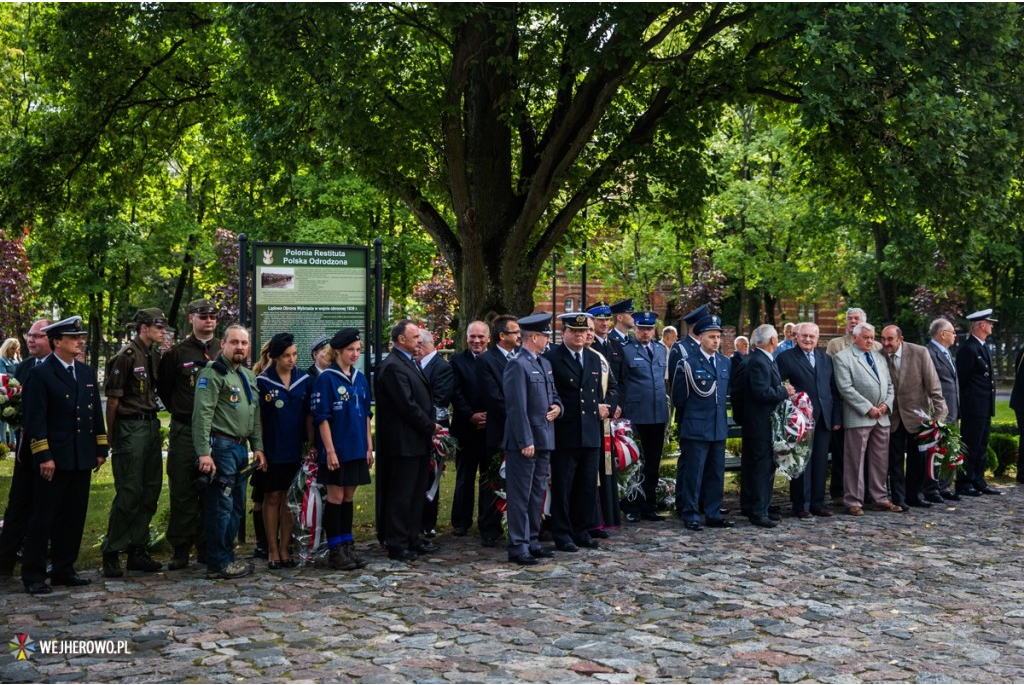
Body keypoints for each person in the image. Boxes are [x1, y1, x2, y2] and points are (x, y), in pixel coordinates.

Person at [20, 316, 108, 594]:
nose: (81, 341)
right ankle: (33, 574)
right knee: (43, 516)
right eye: (74, 337)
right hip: (54, 458)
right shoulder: (41, 373)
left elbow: (94, 413)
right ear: (58, 342)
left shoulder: (84, 372)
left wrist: (100, 447)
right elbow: (35, 419)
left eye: (81, 336)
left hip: (81, 455)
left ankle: (64, 568)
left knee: (73, 516)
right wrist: (43, 455)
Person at [192, 324, 267, 579]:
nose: (240, 347)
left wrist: (257, 446)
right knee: (220, 506)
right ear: (223, 344)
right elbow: (202, 415)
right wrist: (204, 453)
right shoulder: (212, 374)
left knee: (235, 506)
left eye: (244, 343)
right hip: (221, 447)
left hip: (240, 448)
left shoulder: (247, 375)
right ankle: (218, 561)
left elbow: (254, 415)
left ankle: (227, 556)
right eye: (234, 342)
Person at [101, 308, 167, 578]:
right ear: (143, 327)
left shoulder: (154, 354)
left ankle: (137, 549)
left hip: (151, 425)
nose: (163, 330)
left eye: (163, 325)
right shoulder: (125, 357)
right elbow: (113, 401)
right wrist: (111, 437)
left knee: (150, 491)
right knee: (129, 492)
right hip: (130, 427)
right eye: (158, 325)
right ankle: (112, 550)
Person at [157, 298, 221, 570]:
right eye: (203, 316)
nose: (209, 320)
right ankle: (181, 548)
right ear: (191, 318)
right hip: (185, 428)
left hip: (218, 429)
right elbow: (164, 389)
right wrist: (184, 412)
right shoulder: (177, 353)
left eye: (213, 316)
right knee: (182, 487)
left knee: (213, 488)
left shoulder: (224, 348)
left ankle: (206, 546)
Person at [544, 312, 614, 552]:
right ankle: (562, 533)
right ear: (564, 332)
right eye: (574, 331)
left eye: (583, 332)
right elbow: (554, 397)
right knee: (563, 486)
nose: (579, 336)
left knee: (586, 485)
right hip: (566, 432)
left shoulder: (594, 359)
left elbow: (599, 393)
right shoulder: (552, 358)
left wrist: (606, 407)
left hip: (590, 432)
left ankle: (581, 529)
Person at [374, 320, 442, 561]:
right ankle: (397, 542)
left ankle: (412, 537)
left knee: (415, 493)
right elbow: (406, 405)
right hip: (402, 442)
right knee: (401, 494)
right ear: (401, 339)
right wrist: (430, 426)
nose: (419, 341)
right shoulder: (393, 366)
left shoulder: (408, 362)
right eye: (415, 337)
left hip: (416, 441)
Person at [503, 312, 562, 566]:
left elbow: (555, 396)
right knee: (520, 495)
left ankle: (533, 540)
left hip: (544, 437)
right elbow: (516, 407)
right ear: (535, 337)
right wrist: (525, 440)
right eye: (546, 334)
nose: (548, 338)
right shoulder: (518, 364)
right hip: (526, 442)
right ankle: (518, 545)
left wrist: (559, 408)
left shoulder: (543, 363)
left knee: (537, 493)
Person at [312, 328, 374, 570]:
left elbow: (367, 414)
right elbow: (322, 417)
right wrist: (330, 450)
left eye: (358, 350)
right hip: (337, 448)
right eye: (350, 350)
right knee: (336, 497)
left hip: (357, 447)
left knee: (349, 497)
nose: (355, 354)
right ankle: (335, 548)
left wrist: (369, 446)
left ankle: (348, 544)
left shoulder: (359, 378)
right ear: (337, 351)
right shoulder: (327, 378)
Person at [672, 314, 734, 531]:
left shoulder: (725, 363)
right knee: (694, 474)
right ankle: (690, 514)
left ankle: (713, 513)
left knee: (716, 473)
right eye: (711, 337)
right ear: (700, 338)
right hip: (696, 427)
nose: (716, 341)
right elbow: (679, 399)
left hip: (717, 426)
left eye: (718, 337)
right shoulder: (687, 364)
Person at [256, 332, 312, 569]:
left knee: (290, 500)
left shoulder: (304, 379)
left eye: (294, 354)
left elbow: (309, 415)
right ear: (275, 357)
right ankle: (271, 549)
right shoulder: (262, 381)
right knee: (272, 497)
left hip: (295, 449)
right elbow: (257, 418)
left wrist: (312, 445)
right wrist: (259, 448)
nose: (292, 359)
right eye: (287, 356)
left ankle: (285, 547)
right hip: (272, 448)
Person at [833, 322, 901, 516]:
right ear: (854, 338)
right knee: (855, 461)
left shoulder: (879, 357)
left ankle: (879, 498)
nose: (871, 341)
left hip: (882, 417)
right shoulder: (842, 358)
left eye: (872, 337)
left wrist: (886, 405)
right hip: (859, 416)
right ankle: (853, 500)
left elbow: (889, 385)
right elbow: (845, 388)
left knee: (880, 460)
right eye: (866, 337)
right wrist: (867, 408)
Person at [775, 323, 841, 518]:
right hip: (799, 420)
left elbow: (833, 390)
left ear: (817, 338)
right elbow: (778, 385)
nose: (808, 339)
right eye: (804, 336)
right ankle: (801, 505)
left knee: (820, 462)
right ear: (797, 337)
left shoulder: (825, 358)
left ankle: (817, 503)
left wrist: (835, 416)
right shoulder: (785, 358)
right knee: (802, 462)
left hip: (823, 418)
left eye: (812, 336)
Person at [0, 318, 49, 577]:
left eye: (37, 336)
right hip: (25, 447)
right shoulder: (25, 367)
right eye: (29, 335)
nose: (30, 339)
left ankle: (37, 558)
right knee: (17, 504)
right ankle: (6, 559)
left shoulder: (59, 368)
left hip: (50, 449)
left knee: (44, 506)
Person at [880, 325, 948, 510]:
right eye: (883, 339)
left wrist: (939, 418)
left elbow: (934, 387)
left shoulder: (920, 353)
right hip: (892, 417)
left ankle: (914, 496)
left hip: (918, 417)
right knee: (894, 461)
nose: (885, 343)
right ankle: (899, 498)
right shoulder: (879, 355)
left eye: (890, 339)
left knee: (918, 460)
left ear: (900, 339)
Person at [448, 321, 501, 539]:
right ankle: (461, 521)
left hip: (492, 428)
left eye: (481, 337)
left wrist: (491, 415)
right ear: (466, 337)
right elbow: (455, 392)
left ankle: (488, 525)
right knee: (465, 477)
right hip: (466, 428)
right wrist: (471, 415)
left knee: (490, 479)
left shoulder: (497, 360)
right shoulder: (457, 361)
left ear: (488, 338)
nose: (476, 341)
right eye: (472, 336)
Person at [739, 324, 793, 527]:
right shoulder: (758, 361)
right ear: (772, 340)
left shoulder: (759, 359)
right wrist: (784, 391)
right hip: (760, 423)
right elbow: (761, 392)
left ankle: (756, 506)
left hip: (761, 422)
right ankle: (759, 511)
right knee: (762, 466)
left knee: (759, 466)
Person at [825, 307, 880, 506]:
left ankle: (866, 491)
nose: (852, 321)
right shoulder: (836, 344)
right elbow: (830, 375)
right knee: (842, 451)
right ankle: (839, 491)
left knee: (869, 453)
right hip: (844, 404)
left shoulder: (876, 345)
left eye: (856, 318)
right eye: (849, 318)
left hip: (873, 409)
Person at [475, 314, 521, 547]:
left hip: (521, 430)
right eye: (515, 332)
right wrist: (519, 415)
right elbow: (493, 397)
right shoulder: (487, 360)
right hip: (500, 428)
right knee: (493, 480)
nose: (519, 336)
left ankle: (515, 523)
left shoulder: (521, 356)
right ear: (502, 336)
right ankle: (489, 526)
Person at [620, 310, 669, 522]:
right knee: (633, 462)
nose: (646, 333)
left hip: (657, 413)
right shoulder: (625, 350)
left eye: (649, 329)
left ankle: (649, 505)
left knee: (653, 462)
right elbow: (622, 382)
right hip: (636, 414)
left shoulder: (660, 349)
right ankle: (632, 506)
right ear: (635, 329)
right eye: (641, 329)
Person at [956, 309, 1000, 497]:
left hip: (984, 405)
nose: (991, 326)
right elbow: (962, 381)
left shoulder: (983, 346)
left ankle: (978, 479)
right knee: (971, 445)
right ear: (981, 325)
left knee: (982, 444)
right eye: (989, 322)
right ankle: (965, 482)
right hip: (973, 407)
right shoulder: (968, 349)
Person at [583, 316, 619, 533]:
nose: (588, 334)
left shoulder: (601, 359)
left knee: (600, 470)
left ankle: (601, 518)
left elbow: (614, 387)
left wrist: (609, 406)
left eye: (590, 329)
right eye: (584, 330)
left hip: (601, 423)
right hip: (582, 422)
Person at [417, 328, 454, 538]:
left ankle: (428, 523)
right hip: (418, 430)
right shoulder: (415, 364)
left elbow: (440, 399)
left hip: (434, 430)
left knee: (431, 478)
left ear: (422, 344)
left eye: (417, 343)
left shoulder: (441, 367)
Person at [926, 318, 962, 499]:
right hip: (939, 410)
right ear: (942, 333)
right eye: (952, 332)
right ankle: (932, 487)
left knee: (949, 449)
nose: (955, 335)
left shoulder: (947, 352)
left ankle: (945, 486)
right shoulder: (929, 353)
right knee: (936, 450)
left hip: (952, 410)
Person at [589, 303, 628, 391]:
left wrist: (619, 403)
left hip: (615, 400)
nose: (605, 323)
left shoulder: (616, 345)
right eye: (601, 320)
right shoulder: (588, 345)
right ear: (592, 321)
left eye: (607, 319)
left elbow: (624, 379)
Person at [668, 305, 707, 391]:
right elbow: (675, 383)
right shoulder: (680, 348)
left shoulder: (709, 347)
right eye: (705, 325)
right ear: (695, 326)